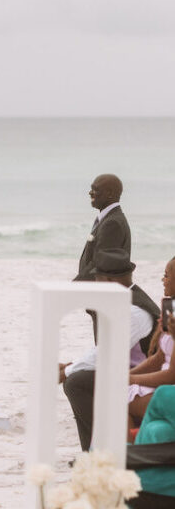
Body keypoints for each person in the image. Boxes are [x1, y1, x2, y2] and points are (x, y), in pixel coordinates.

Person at [61, 249, 160, 451]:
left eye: (96, 279)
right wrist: (73, 366)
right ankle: (91, 450)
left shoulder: (135, 311)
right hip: (129, 371)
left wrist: (66, 372)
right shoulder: (124, 301)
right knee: (77, 378)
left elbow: (106, 352)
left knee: (76, 383)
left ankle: (99, 450)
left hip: (145, 377)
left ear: (108, 280)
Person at [75, 174, 131, 341]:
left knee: (104, 346)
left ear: (110, 193)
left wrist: (71, 288)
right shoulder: (106, 219)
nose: (90, 193)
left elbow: (101, 263)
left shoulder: (112, 223)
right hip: (98, 295)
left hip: (104, 296)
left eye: (95, 189)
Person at [127, 257, 175, 432]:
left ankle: (129, 453)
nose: (163, 280)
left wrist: (130, 379)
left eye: (166, 275)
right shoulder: (171, 308)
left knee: (113, 400)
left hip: (169, 390)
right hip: (162, 384)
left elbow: (172, 375)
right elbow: (159, 358)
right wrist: (125, 375)